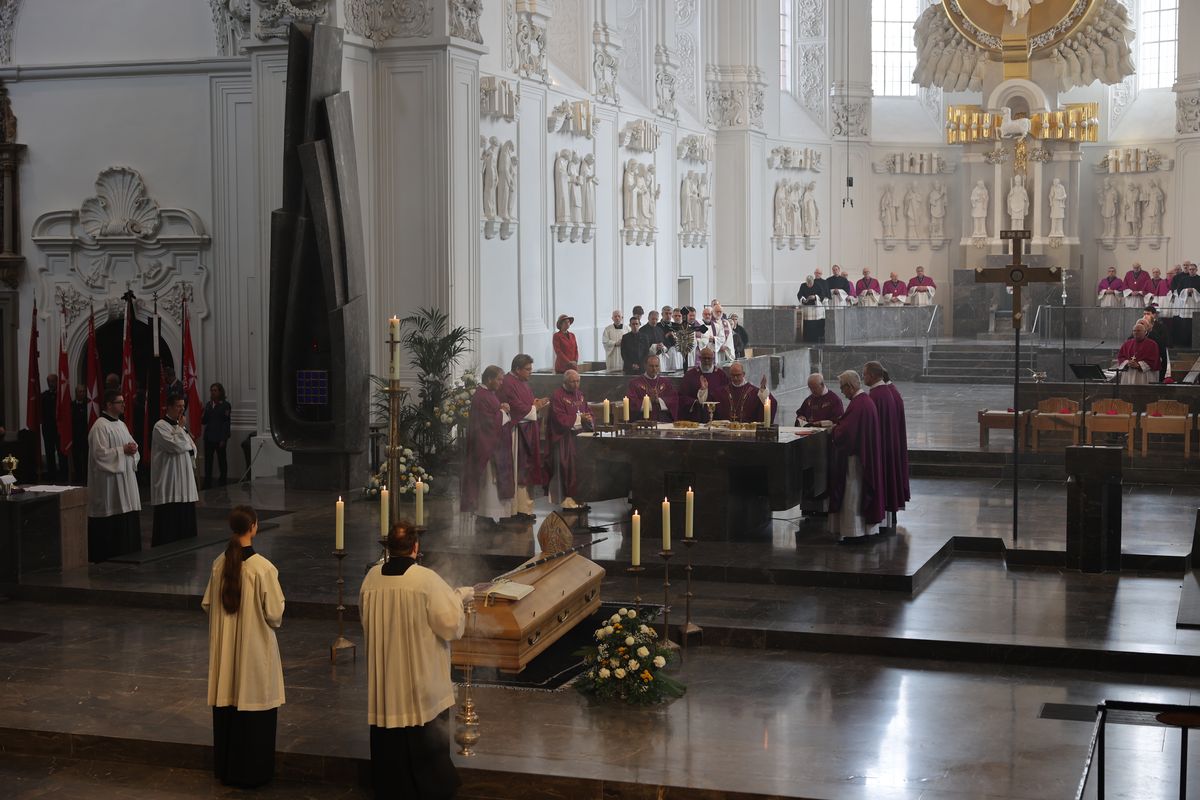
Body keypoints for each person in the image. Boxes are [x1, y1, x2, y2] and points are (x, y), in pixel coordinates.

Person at [360, 522, 471, 799]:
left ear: (387, 547)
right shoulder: (426, 580)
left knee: (391, 735)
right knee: (424, 737)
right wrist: (459, 598)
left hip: (387, 676)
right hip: (420, 679)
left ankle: (392, 786)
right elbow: (449, 625)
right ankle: (430, 785)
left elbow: (365, 619)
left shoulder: (371, 578)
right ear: (416, 547)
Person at [201, 506, 284, 789]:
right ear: (254, 527)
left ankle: (227, 769)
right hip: (253, 654)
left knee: (230, 705)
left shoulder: (218, 564)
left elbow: (208, 604)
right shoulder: (262, 568)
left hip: (226, 655)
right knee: (253, 707)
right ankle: (253, 772)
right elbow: (274, 614)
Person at [828, 371, 884, 544]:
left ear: (850, 387)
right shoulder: (864, 401)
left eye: (842, 388)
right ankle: (862, 531)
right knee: (856, 493)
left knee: (853, 495)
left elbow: (847, 433)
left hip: (855, 460)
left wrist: (834, 429)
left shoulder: (859, 404)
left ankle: (854, 533)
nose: (842, 392)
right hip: (863, 456)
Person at [86, 390, 141, 562]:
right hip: (109, 484)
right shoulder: (100, 426)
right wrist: (122, 450)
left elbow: (132, 446)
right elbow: (99, 455)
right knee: (112, 516)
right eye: (120, 402)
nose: (124, 405)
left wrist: (133, 450)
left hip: (125, 480)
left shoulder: (121, 424)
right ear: (109, 405)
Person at [459, 365, 514, 527]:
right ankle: (485, 515)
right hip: (487, 447)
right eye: (499, 379)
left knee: (491, 483)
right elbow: (488, 423)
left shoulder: (487, 394)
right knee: (488, 484)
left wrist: (501, 408)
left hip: (493, 445)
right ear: (489, 379)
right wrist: (502, 412)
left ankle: (489, 515)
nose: (501, 383)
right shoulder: (482, 396)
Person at [499, 354, 549, 523]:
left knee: (526, 470)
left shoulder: (521, 382)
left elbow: (526, 402)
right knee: (518, 470)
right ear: (517, 369)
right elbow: (516, 407)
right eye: (527, 369)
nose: (530, 372)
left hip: (527, 430)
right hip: (516, 433)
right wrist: (535, 406)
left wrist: (536, 402)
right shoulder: (507, 383)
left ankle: (525, 508)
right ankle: (514, 510)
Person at [150, 393, 199, 547]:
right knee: (170, 512)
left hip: (184, 475)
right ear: (169, 407)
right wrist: (180, 431)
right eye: (178, 406)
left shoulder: (180, 427)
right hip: (169, 477)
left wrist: (181, 432)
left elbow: (192, 448)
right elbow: (175, 446)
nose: (182, 409)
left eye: (183, 406)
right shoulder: (160, 426)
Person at [863, 362, 907, 526]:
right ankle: (890, 515)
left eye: (865, 374)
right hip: (889, 443)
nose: (863, 378)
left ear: (873, 376)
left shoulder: (876, 396)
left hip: (882, 447)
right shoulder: (887, 392)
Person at [547, 369, 592, 510]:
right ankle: (568, 501)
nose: (576, 384)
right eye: (573, 381)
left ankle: (580, 498)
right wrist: (580, 418)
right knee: (568, 469)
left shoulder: (580, 394)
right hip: (565, 440)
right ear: (565, 381)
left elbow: (587, 411)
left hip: (580, 439)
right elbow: (559, 419)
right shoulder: (557, 396)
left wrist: (589, 418)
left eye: (578, 381)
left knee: (581, 468)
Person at [679, 347, 730, 422]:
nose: (706, 361)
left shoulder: (721, 375)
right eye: (704, 358)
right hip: (696, 416)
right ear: (700, 358)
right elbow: (682, 396)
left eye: (709, 358)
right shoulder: (690, 375)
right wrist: (696, 402)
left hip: (717, 417)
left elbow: (727, 396)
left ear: (713, 358)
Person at [625, 355, 678, 422]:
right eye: (651, 366)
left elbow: (674, 399)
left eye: (656, 366)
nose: (654, 369)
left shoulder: (666, 382)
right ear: (645, 366)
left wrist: (658, 400)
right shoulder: (635, 383)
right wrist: (649, 400)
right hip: (643, 420)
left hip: (663, 419)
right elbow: (632, 402)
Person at [201, 383, 232, 489]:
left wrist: (224, 438)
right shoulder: (209, 405)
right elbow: (204, 421)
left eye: (215, 390)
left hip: (220, 438)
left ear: (220, 392)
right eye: (211, 390)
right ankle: (207, 482)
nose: (213, 392)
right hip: (209, 437)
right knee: (208, 462)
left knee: (222, 461)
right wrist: (201, 411)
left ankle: (223, 482)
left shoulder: (225, 405)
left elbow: (226, 423)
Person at [1116, 319, 1160, 385]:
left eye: (1139, 331)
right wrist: (1127, 363)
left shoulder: (1152, 344)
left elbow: (1154, 360)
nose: (1136, 332)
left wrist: (1139, 365)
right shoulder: (1127, 344)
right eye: (1134, 331)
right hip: (1129, 375)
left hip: (1144, 375)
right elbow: (1121, 356)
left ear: (1145, 332)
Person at [40, 373, 64, 482]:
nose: (51, 384)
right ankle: (51, 477)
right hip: (48, 429)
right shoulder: (44, 396)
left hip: (59, 429)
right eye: (49, 381)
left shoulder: (61, 396)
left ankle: (63, 476)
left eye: (53, 381)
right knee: (49, 453)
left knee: (61, 452)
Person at [1142, 306, 1171, 382]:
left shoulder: (1161, 326)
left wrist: (1151, 331)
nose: (1145, 316)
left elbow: (1164, 341)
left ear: (1154, 315)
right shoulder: (1140, 325)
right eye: (1144, 314)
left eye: (1148, 314)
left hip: (1157, 353)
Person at [797, 275, 825, 343]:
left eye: (810, 284)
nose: (809, 285)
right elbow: (799, 294)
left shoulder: (817, 285)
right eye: (808, 284)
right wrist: (803, 300)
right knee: (807, 325)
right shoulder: (803, 285)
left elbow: (822, 295)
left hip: (815, 309)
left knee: (814, 325)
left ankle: (815, 339)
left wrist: (815, 297)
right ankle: (806, 339)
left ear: (813, 282)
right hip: (807, 309)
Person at [70, 385, 89, 484]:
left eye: (83, 392)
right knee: (76, 458)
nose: (82, 394)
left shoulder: (89, 405)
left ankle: (86, 477)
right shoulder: (71, 405)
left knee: (86, 458)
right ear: (76, 393)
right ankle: (78, 476)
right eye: (80, 392)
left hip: (86, 436)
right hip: (75, 436)